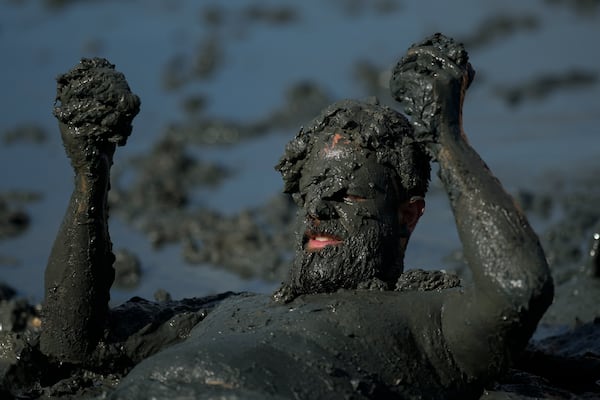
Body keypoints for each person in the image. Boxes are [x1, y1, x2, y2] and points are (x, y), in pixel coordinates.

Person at [41, 34, 554, 399]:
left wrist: (446, 137)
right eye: (308, 191)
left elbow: (516, 289)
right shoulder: (220, 311)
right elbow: (71, 346)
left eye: (346, 194)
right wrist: (91, 171)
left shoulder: (430, 326)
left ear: (408, 217)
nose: (318, 207)